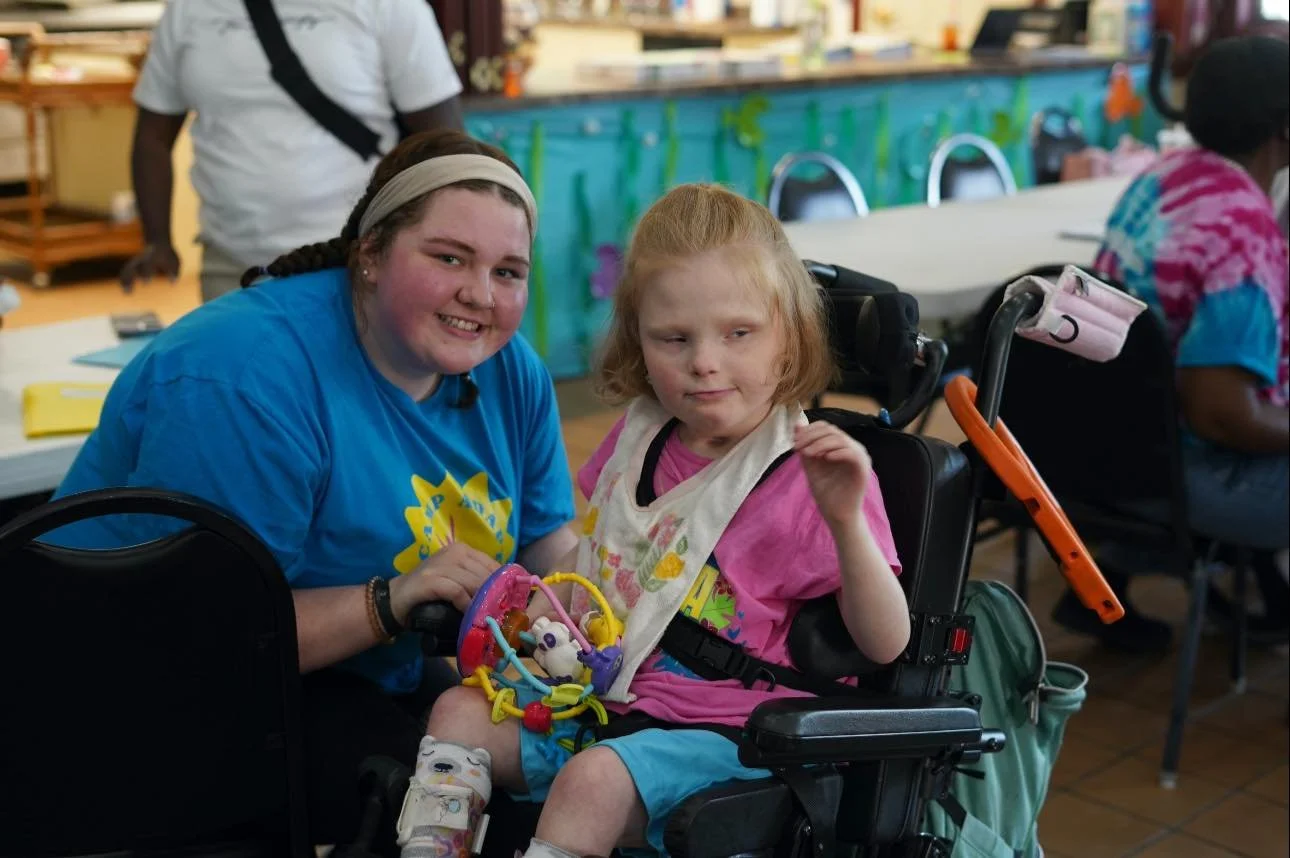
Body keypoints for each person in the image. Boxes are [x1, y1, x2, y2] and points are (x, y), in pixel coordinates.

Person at [50, 129, 579, 853]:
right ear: (368, 253)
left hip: (357, 665)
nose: (480, 295)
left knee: (562, 789)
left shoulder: (509, 371)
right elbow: (208, 635)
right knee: (447, 818)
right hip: (139, 689)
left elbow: (551, 546)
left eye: (508, 271)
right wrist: (393, 599)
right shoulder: (245, 375)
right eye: (448, 257)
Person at [399, 183, 911, 858]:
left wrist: (846, 521)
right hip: (602, 705)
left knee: (592, 783)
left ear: (788, 342)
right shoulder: (640, 439)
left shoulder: (813, 478)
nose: (704, 361)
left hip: (731, 738)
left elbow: (886, 644)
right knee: (458, 711)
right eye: (674, 338)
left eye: (739, 334)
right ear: (639, 343)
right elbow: (605, 557)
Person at [1061, 35, 1289, 651]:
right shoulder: (1242, 227)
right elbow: (1222, 415)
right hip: (1180, 471)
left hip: (1103, 448)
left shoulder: (1162, 181)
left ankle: (1106, 575)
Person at [121, 0, 465, 302]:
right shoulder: (189, 9)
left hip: (354, 262)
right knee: (234, 375)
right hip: (230, 266)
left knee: (341, 376)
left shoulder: (390, 7)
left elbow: (444, 144)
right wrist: (157, 239)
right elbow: (153, 134)